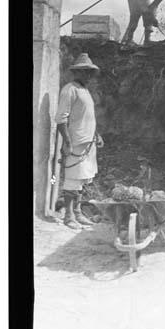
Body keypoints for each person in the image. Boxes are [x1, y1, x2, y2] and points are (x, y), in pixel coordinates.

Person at [56, 53, 104, 230]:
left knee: (83, 179)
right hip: (75, 142)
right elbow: (61, 118)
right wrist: (67, 142)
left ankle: (77, 212)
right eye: (85, 72)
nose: (88, 76)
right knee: (72, 179)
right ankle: (68, 216)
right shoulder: (70, 89)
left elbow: (88, 117)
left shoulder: (85, 91)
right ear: (77, 72)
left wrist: (96, 135)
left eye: (90, 72)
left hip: (88, 143)